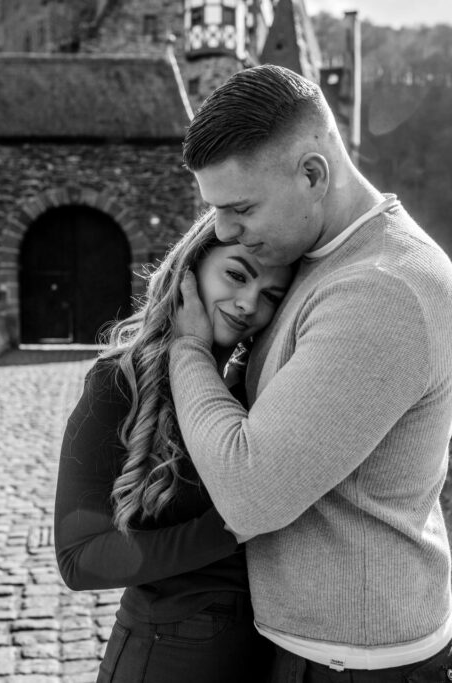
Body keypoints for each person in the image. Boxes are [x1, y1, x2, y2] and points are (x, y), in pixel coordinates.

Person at [169, 64, 452, 682]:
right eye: (215, 209)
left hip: (362, 663)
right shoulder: (312, 257)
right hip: (316, 647)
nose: (222, 231)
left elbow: (251, 489)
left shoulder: (383, 289)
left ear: (313, 173)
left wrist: (188, 350)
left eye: (241, 207)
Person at [54, 212, 293, 683]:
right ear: (191, 270)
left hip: (259, 656)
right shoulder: (119, 382)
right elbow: (77, 558)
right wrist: (231, 525)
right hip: (163, 657)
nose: (247, 303)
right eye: (236, 275)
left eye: (270, 296)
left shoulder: (258, 388)